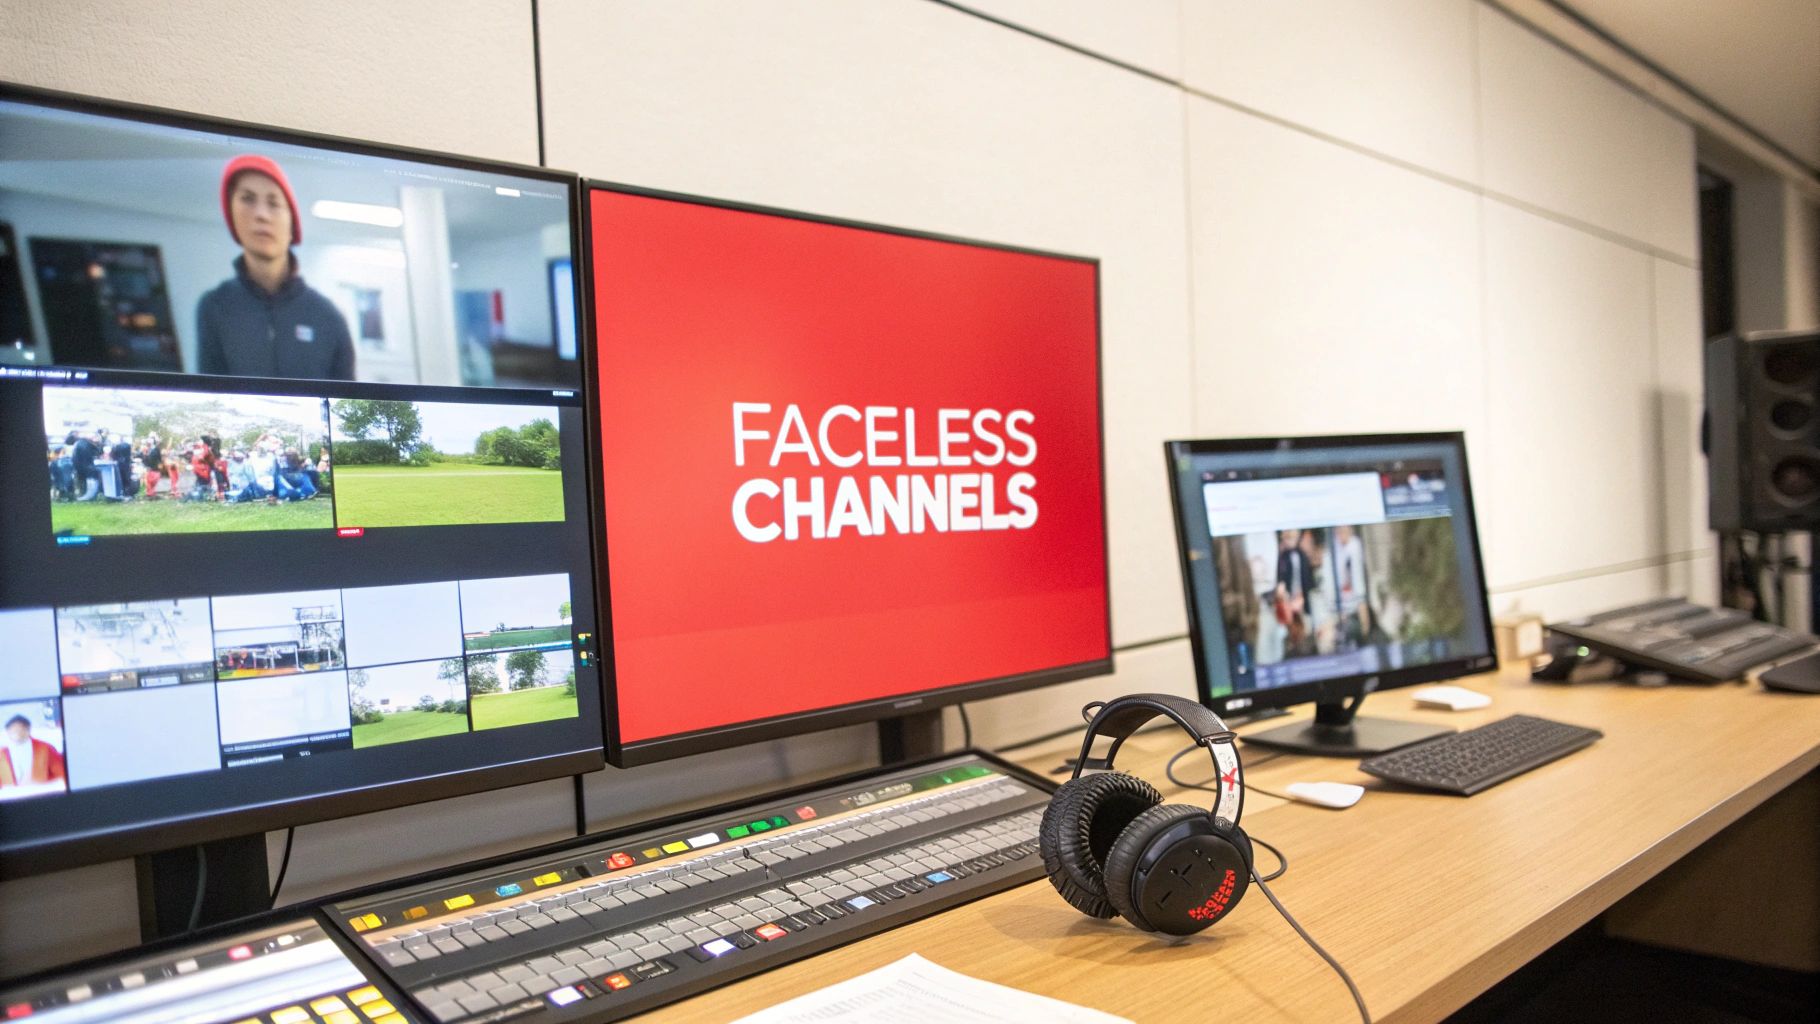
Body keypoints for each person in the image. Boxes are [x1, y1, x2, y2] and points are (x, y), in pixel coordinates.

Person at [196, 154, 355, 381]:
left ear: (292, 223)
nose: (261, 215)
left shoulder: (328, 316)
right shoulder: (214, 307)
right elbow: (209, 395)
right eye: (248, 199)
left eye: (273, 203)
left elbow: (346, 398)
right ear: (231, 213)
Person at [1, 714, 65, 791]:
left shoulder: (45, 748)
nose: (17, 733)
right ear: (7, 731)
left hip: (41, 794)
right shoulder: (2, 754)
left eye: (21, 729)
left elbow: (61, 773)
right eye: (13, 730)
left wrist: (42, 784)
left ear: (28, 729)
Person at [71, 430, 102, 501]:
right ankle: (90, 496)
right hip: (87, 467)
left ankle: (83, 495)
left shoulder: (78, 443)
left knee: (82, 482)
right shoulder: (87, 444)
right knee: (92, 478)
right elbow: (95, 454)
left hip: (78, 466)